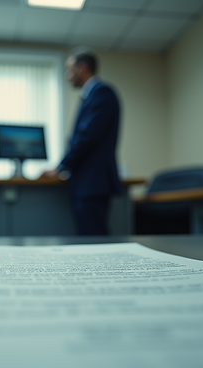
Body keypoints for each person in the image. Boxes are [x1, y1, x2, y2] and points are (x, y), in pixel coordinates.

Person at [40, 47, 122, 235]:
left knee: (93, 241)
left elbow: (87, 137)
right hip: (85, 182)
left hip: (93, 182)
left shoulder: (102, 93)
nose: (68, 75)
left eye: (70, 70)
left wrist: (60, 167)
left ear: (82, 69)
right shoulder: (90, 96)